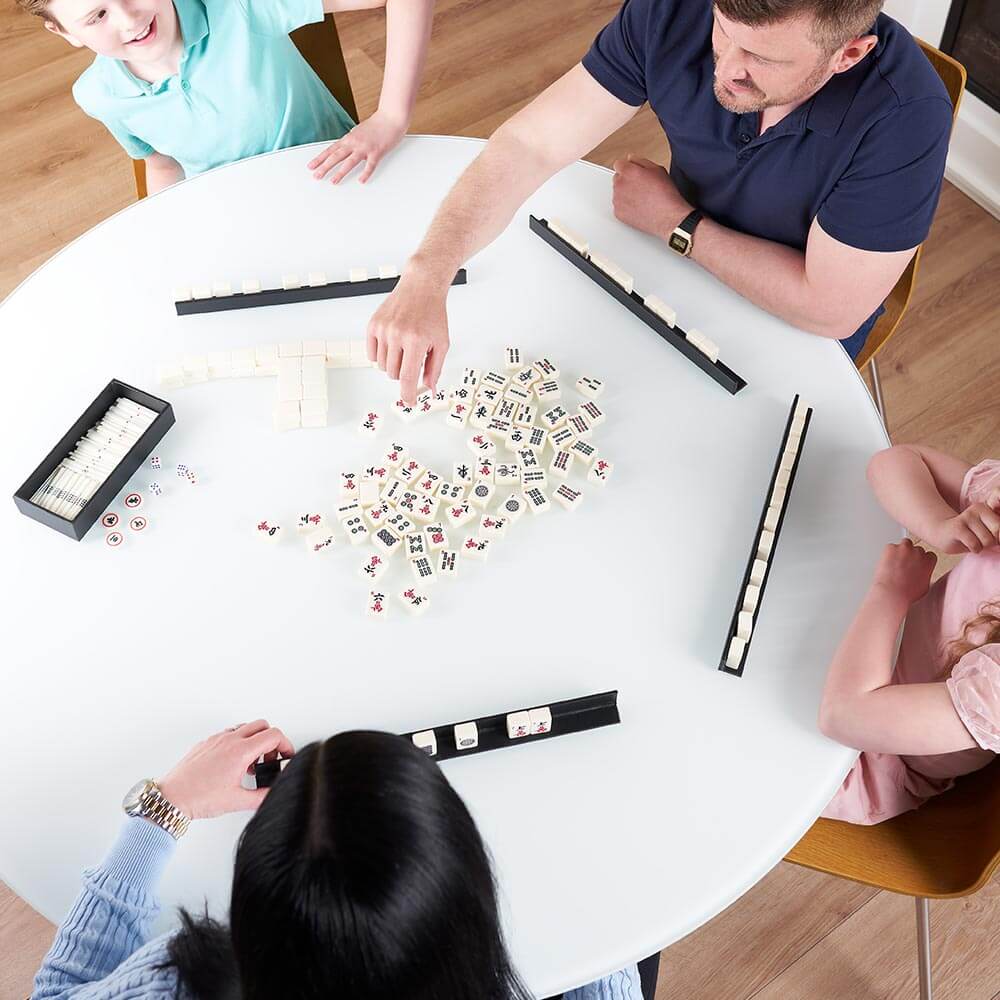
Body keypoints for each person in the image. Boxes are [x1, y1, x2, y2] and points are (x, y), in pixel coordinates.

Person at [364, 0, 954, 404]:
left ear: (848, 55)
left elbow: (828, 309)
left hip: (793, 324)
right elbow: (530, 144)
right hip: (674, 259)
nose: (727, 68)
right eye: (724, 30)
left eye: (764, 59)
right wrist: (427, 273)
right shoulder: (677, 9)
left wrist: (680, 224)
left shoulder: (906, 117)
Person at [32, 721, 641, 998]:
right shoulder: (543, 958)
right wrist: (607, 916)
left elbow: (60, 991)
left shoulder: (174, 983)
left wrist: (163, 809)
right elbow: (606, 948)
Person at [18, 0, 434, 194]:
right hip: (231, 222)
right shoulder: (97, 97)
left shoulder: (237, 6)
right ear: (64, 31)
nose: (130, 19)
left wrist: (391, 117)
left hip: (341, 183)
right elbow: (162, 163)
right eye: (98, 15)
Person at [819, 446, 1000, 825]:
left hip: (859, 762)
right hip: (856, 635)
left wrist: (891, 592)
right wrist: (942, 526)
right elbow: (896, 461)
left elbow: (842, 717)